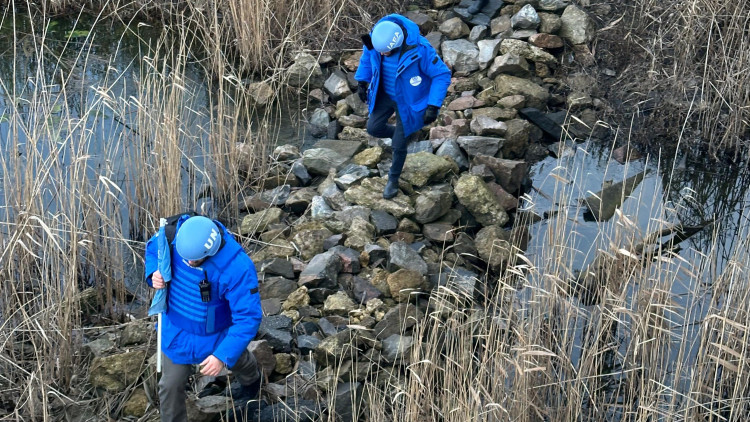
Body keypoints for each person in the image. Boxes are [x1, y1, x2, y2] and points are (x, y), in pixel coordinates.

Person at [145, 215, 263, 421]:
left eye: (195, 260)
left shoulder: (238, 268)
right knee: (170, 385)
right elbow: (154, 249)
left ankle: (253, 384)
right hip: (176, 332)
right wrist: (154, 272)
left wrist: (222, 355)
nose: (189, 263)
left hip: (217, 333)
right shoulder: (172, 233)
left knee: (239, 360)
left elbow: (248, 317)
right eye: (185, 258)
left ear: (211, 250)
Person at [355, 14, 451, 199]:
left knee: (398, 146)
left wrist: (433, 105)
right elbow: (367, 58)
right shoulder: (376, 39)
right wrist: (362, 81)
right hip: (384, 94)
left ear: (396, 43)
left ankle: (393, 179)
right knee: (373, 128)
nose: (382, 54)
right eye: (380, 51)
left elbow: (442, 75)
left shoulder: (421, 49)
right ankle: (404, 133)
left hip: (408, 100)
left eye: (386, 52)